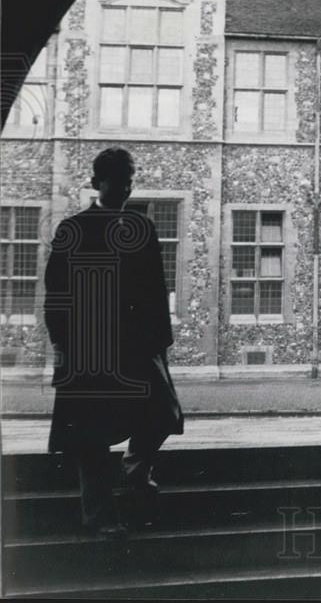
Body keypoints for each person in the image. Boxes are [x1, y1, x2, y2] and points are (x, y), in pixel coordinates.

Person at [44, 147, 183, 538]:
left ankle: (135, 472)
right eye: (120, 176)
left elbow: (157, 290)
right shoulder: (74, 228)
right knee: (91, 435)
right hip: (90, 347)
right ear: (98, 182)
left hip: (136, 345)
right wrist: (63, 346)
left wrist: (160, 344)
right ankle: (98, 515)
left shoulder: (144, 229)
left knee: (164, 412)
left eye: (131, 175)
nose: (127, 183)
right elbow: (57, 293)